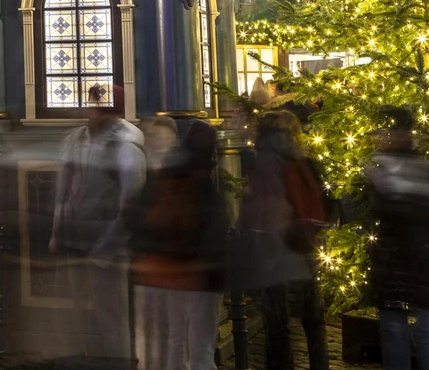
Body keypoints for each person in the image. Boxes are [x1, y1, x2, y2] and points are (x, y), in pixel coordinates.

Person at [50, 85, 144, 361]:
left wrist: (106, 250)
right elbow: (63, 191)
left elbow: (130, 203)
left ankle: (118, 363)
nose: (91, 113)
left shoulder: (125, 146)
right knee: (72, 313)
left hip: (105, 248)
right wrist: (58, 233)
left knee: (111, 315)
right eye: (91, 106)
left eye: (98, 108)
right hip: (74, 241)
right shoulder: (76, 140)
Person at [127, 120, 227, 370]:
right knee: (201, 350)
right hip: (198, 275)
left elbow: (137, 216)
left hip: (168, 272)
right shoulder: (204, 179)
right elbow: (213, 231)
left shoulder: (167, 174)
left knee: (176, 339)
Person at [240, 111, 329, 370]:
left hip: (274, 247)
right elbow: (324, 202)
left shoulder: (261, 160)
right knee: (313, 317)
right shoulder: (304, 159)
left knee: (277, 320)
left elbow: (261, 208)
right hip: (306, 242)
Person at [365, 107, 429, 370]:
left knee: (423, 332)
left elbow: (413, 209)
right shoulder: (391, 164)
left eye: (382, 132)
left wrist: (385, 185)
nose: (377, 138)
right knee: (402, 332)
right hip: (403, 259)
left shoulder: (406, 166)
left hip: (412, 258)